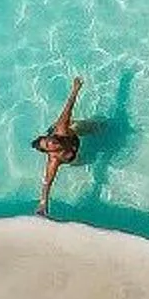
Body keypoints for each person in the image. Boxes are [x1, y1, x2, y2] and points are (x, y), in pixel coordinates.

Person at [32, 76, 85, 214]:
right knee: (83, 160)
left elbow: (68, 108)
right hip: (72, 155)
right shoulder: (55, 160)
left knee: (98, 127)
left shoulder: (61, 130)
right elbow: (47, 183)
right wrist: (43, 203)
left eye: (47, 139)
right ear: (49, 151)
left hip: (73, 135)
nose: (51, 142)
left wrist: (75, 89)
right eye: (48, 146)